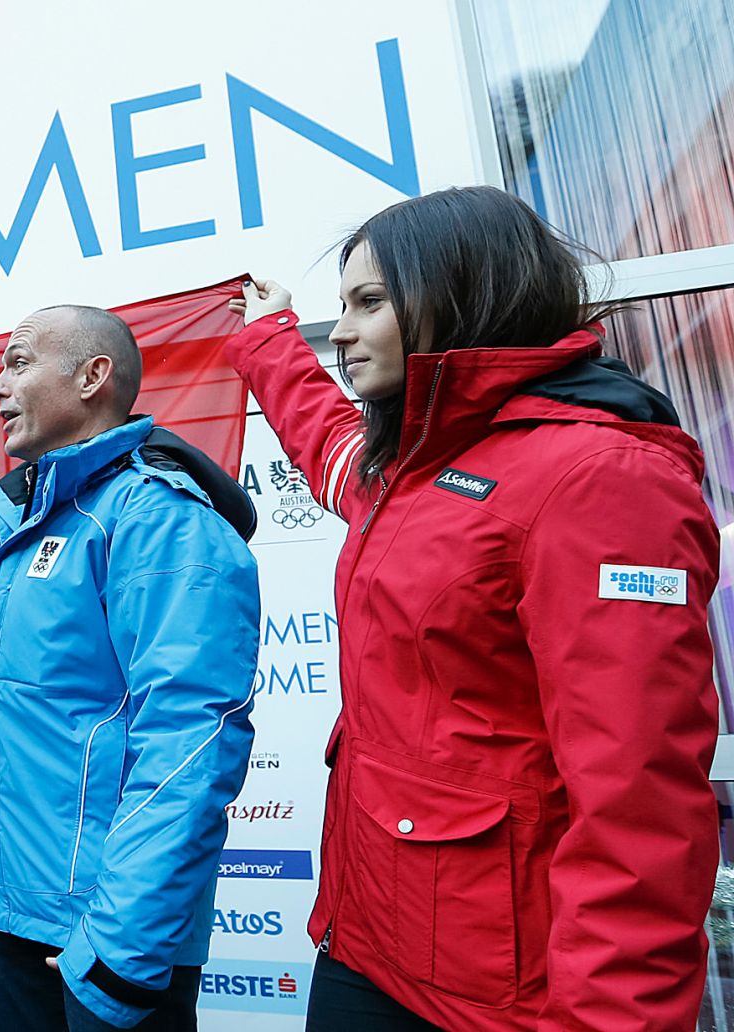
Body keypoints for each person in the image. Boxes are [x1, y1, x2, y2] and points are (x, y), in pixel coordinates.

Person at [225, 185, 721, 1031]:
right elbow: (327, 444)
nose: (340, 331)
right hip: (363, 947)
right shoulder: (412, 472)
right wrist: (268, 339)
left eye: (368, 302)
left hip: (495, 1001)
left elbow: (639, 806)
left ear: (465, 292)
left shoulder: (603, 480)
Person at [0, 307, 261, 1031]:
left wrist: (120, 945)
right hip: (15, 913)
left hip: (105, 938)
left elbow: (191, 739)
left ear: (94, 375)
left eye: (18, 363)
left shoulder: (157, 518)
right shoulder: (27, 529)